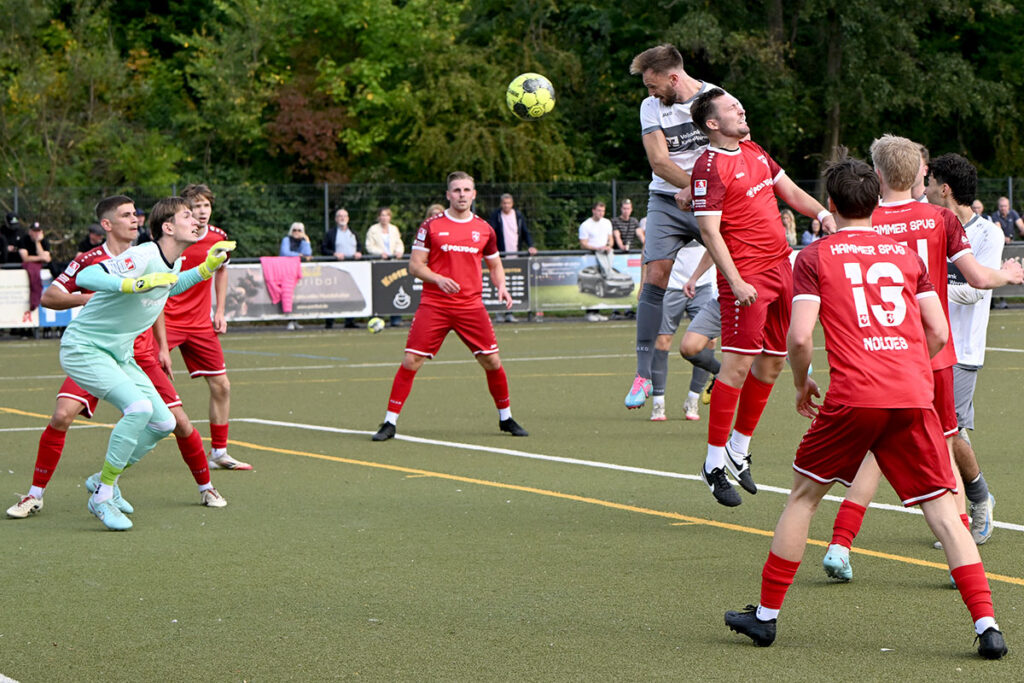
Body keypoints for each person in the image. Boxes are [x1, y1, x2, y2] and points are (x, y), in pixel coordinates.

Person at [724, 154, 1007, 660]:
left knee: (803, 498)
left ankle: (765, 618)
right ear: (876, 201)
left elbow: (799, 338)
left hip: (854, 396)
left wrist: (801, 383)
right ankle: (988, 626)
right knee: (945, 512)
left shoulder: (815, 256)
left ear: (830, 204)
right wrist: (909, 365)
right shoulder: (906, 256)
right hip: (913, 395)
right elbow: (938, 331)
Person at [820, 136, 1023, 581]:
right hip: (934, 354)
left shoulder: (864, 219)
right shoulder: (939, 219)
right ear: (918, 173)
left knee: (876, 452)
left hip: (881, 352)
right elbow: (975, 278)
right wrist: (1007, 275)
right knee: (945, 448)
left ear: (876, 175)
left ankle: (840, 542)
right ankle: (962, 554)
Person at [5, 196, 228, 520]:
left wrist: (206, 268)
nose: (196, 221)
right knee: (133, 409)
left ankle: (102, 480)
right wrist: (132, 284)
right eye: (187, 216)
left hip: (120, 354)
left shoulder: (172, 260)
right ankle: (100, 495)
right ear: (168, 227)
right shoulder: (142, 254)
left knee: (164, 422)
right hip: (86, 349)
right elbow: (86, 278)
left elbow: (168, 285)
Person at [688, 87, 835, 506]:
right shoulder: (708, 167)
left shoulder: (753, 150)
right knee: (736, 368)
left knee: (771, 363)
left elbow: (789, 191)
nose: (741, 109)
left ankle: (738, 449)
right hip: (746, 277)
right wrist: (734, 281)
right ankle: (713, 464)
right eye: (731, 107)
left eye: (739, 104)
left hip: (781, 268)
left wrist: (822, 213)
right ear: (713, 123)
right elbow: (709, 231)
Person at [371, 172, 528, 442]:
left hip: (471, 306)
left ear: (474, 194)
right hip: (435, 305)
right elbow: (415, 266)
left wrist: (501, 285)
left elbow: (495, 264)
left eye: (466, 190)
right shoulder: (431, 226)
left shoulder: (484, 229)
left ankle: (506, 418)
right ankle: (389, 422)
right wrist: (438, 278)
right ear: (448, 194)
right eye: (456, 190)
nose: (462, 195)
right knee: (411, 361)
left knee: (492, 361)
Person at [625, 44, 725, 410]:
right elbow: (658, 161)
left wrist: (700, 192)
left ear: (673, 77)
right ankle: (643, 375)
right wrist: (691, 187)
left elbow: (735, 152)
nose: (650, 93)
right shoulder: (650, 107)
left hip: (712, 202)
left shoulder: (718, 99)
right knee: (654, 277)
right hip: (667, 200)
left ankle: (773, 345)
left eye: (653, 86)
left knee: (746, 270)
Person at [929, 153, 1002, 544]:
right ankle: (955, 511)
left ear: (944, 189)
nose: (924, 189)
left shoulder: (988, 234)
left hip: (962, 351)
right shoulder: (930, 225)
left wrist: (922, 288)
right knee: (935, 431)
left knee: (952, 431)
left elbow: (976, 291)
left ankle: (979, 500)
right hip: (927, 346)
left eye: (929, 183)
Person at [161, 183, 251, 470]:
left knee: (222, 385)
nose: (202, 211)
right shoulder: (172, 236)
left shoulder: (218, 238)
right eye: (196, 206)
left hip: (200, 323)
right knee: (148, 386)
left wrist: (220, 310)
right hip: (167, 320)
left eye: (206, 206)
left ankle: (219, 453)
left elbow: (221, 270)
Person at [649, 241, 718, 421]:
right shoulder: (665, 222)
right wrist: (645, 283)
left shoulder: (709, 222)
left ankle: (693, 399)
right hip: (671, 285)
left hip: (702, 285)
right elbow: (648, 249)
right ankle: (658, 402)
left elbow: (715, 245)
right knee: (662, 341)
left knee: (709, 341)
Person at [487, 193, 536, 322]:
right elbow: (491, 232)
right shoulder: (496, 216)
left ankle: (510, 312)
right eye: (504, 203)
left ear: (512, 204)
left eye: (508, 203)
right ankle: (499, 312)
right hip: (500, 257)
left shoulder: (518, 215)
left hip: (515, 255)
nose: (506, 205)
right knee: (499, 284)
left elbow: (525, 232)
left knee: (512, 285)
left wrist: (531, 246)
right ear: (501, 204)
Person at [322, 208, 363, 329]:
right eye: (340, 216)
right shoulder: (330, 234)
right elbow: (323, 249)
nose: (342, 218)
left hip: (352, 268)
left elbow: (359, 247)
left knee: (351, 293)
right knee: (333, 294)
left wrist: (359, 252)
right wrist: (334, 254)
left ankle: (349, 321)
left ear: (348, 218)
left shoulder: (353, 233)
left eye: (344, 216)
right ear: (336, 219)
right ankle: (329, 322)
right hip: (336, 268)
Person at [578, 201, 614, 322]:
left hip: (604, 256)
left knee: (602, 284)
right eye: (599, 210)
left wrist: (608, 246)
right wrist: (596, 248)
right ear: (593, 210)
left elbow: (610, 239)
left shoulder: (607, 222)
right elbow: (583, 244)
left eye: (603, 211)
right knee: (592, 285)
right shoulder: (585, 225)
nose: (601, 213)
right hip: (591, 257)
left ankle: (597, 311)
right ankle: (589, 312)